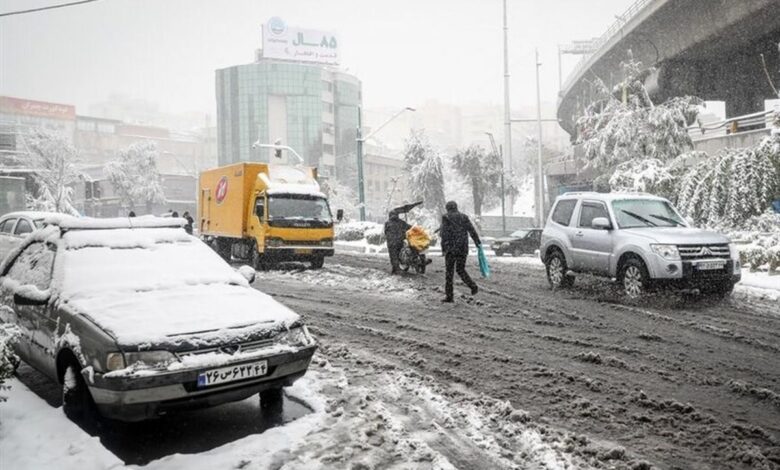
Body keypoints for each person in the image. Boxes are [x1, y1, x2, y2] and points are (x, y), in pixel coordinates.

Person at [439, 200, 481, 303]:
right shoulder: (464, 217)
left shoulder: (446, 217)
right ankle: (473, 286)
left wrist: (443, 249)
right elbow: (472, 230)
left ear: (448, 208)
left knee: (449, 273)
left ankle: (449, 296)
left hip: (451, 248)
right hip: (462, 248)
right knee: (460, 269)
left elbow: (444, 235)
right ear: (456, 207)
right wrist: (477, 242)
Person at [384, 210, 411, 274]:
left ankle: (396, 269)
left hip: (391, 243)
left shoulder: (387, 223)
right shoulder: (401, 222)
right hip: (400, 241)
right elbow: (410, 227)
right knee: (399, 254)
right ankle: (397, 268)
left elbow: (385, 232)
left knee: (393, 256)